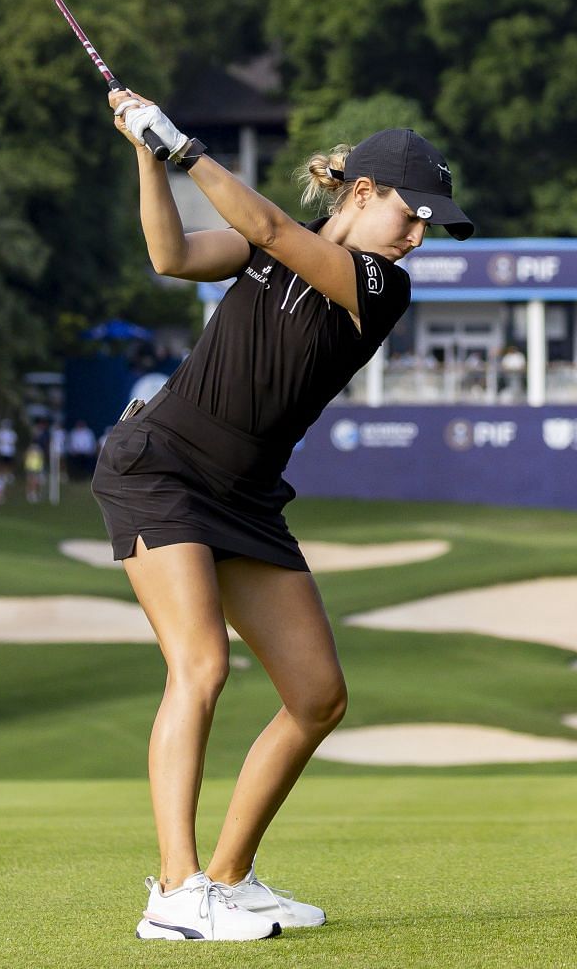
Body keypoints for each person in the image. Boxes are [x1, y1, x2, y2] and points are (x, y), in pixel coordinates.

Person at [92, 89, 471, 942]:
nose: (418, 238)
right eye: (412, 216)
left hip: (246, 495)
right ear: (364, 192)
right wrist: (150, 157)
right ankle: (174, 891)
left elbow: (269, 230)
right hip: (162, 469)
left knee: (318, 695)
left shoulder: (380, 286)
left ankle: (229, 877)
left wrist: (186, 148)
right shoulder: (273, 254)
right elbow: (172, 253)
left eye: (429, 227)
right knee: (200, 665)